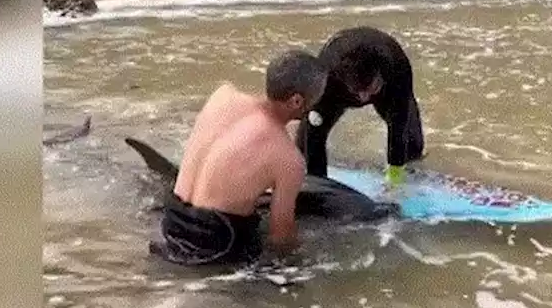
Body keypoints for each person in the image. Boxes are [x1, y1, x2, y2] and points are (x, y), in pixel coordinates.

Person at [148, 49, 328, 266]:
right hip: (215, 244)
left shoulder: (223, 95)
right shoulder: (288, 159)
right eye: (318, 97)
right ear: (297, 101)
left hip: (171, 220)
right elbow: (281, 236)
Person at [295, 26, 425, 187]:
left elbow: (399, 129)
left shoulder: (397, 69)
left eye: (369, 91)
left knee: (411, 142)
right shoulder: (327, 77)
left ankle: (412, 173)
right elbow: (315, 134)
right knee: (311, 129)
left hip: (386, 88)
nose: (364, 99)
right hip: (339, 86)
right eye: (359, 93)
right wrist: (319, 184)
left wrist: (394, 180)